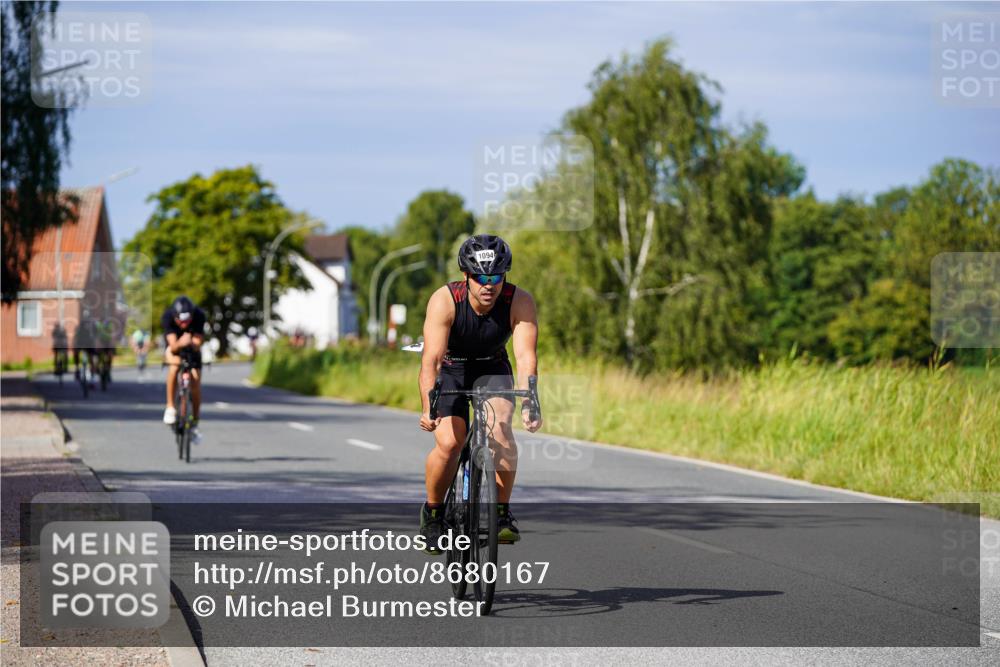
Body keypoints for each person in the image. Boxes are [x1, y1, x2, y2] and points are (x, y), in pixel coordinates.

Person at [417, 234, 542, 555]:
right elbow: (430, 359)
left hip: (492, 368)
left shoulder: (519, 301)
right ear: (466, 277)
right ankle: (432, 515)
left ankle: (501, 513)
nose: (489, 285)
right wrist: (428, 407)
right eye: (481, 278)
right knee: (449, 443)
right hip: (452, 368)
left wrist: (531, 399)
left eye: (496, 277)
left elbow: (526, 355)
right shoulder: (445, 300)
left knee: (501, 431)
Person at [161, 296, 207, 444]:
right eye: (180, 321)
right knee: (174, 367)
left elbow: (198, 342)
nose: (183, 324)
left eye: (187, 321)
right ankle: (170, 407)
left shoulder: (199, 315)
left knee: (195, 381)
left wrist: (192, 344)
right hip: (175, 346)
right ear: (175, 317)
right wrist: (181, 342)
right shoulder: (168, 317)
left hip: (192, 347)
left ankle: (195, 421)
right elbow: (173, 346)